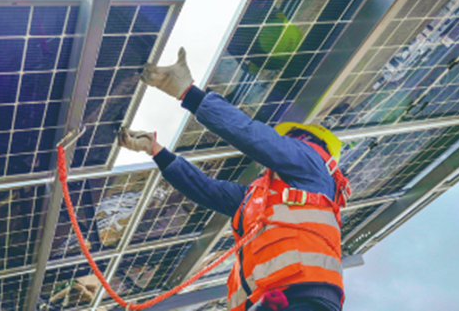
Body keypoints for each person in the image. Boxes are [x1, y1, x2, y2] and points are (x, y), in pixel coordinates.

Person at [118, 48, 351, 311]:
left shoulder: (312, 162)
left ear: (307, 140)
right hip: (278, 299)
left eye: (291, 138)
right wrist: (156, 151)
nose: (286, 142)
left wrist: (188, 93)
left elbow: (254, 137)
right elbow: (206, 190)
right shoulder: (262, 198)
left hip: (301, 297)